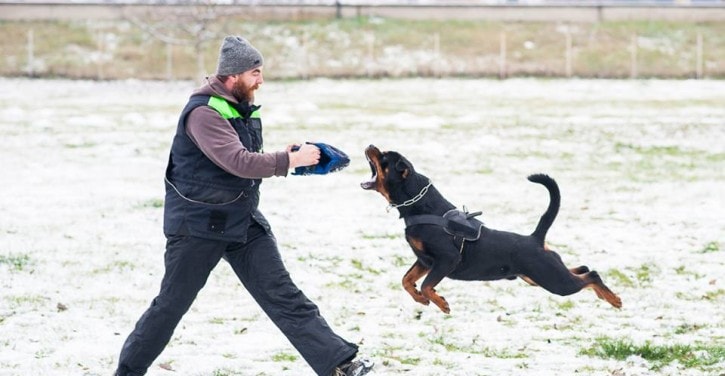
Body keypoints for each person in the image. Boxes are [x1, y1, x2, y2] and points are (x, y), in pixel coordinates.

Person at [114, 36, 374, 376]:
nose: (261, 81)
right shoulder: (204, 113)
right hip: (198, 225)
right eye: (255, 72)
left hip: (240, 219)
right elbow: (238, 162)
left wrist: (293, 155)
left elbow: (244, 160)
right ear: (233, 75)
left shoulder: (237, 108)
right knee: (170, 306)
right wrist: (289, 160)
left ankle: (339, 365)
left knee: (283, 294)